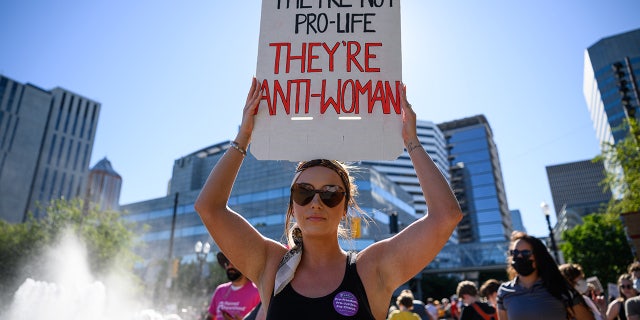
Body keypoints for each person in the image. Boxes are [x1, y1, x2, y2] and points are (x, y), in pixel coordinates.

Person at [194, 78, 463, 320]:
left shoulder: (372, 268)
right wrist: (244, 136)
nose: (316, 202)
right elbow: (209, 207)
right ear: (292, 205)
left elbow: (446, 216)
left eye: (330, 194)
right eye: (304, 192)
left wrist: (411, 140)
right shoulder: (270, 264)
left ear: (346, 207)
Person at [496, 231, 594, 320]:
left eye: (525, 253)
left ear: (539, 257)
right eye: (515, 252)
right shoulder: (504, 291)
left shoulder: (559, 287)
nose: (519, 257)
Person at [207, 252, 261, 320]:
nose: (230, 266)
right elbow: (210, 317)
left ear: (245, 265)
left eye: (234, 262)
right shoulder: (220, 290)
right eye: (227, 263)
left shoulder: (257, 292)